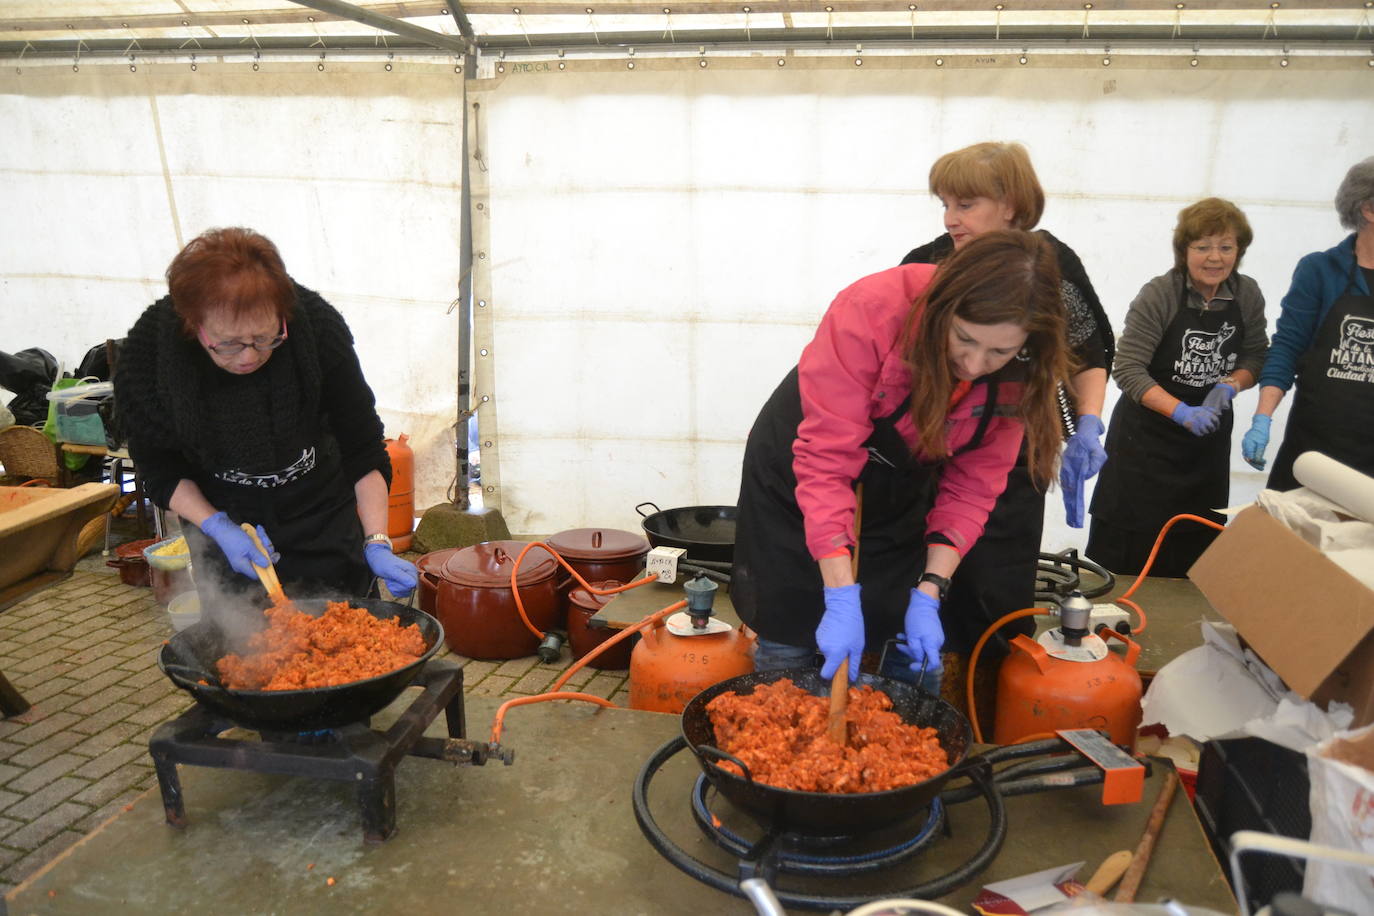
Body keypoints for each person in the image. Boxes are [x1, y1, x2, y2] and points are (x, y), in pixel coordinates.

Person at [732, 230, 1071, 694]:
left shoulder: (1025, 373)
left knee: (890, 608)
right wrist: (839, 597)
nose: (974, 365)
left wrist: (931, 591)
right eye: (964, 340)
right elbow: (827, 463)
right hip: (802, 467)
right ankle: (778, 702)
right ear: (944, 310)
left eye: (999, 351)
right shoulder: (871, 310)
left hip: (900, 475)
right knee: (790, 608)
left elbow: (972, 487)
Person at [115, 227, 417, 614]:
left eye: (265, 337)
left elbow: (362, 447)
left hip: (321, 514)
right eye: (227, 343)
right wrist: (216, 526)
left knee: (350, 627)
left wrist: (377, 540)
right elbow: (159, 468)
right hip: (224, 524)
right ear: (193, 324)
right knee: (240, 644)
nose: (248, 357)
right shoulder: (148, 359)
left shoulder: (319, 330)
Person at [898, 141, 1115, 667]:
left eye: (965, 205)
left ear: (1011, 204)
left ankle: (989, 697)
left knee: (993, 599)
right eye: (945, 205)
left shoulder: (1050, 264)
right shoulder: (927, 263)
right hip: (934, 451)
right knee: (923, 583)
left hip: (1011, 458)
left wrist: (1088, 423)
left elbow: (1089, 350)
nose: (950, 219)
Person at [1087, 198, 1268, 576]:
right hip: (1144, 446)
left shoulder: (1247, 294)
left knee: (1193, 557)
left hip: (1205, 448)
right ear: (1183, 251)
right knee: (1129, 560)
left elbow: (1256, 357)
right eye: (1202, 247)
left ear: (1240, 250)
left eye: (1226, 246)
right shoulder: (1160, 295)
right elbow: (1128, 368)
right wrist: (1180, 411)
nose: (1214, 257)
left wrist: (1231, 386)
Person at [1241, 156, 1374, 488]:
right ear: (1368, 209)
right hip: (1315, 449)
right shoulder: (1321, 270)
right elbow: (1287, 347)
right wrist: (1262, 418)